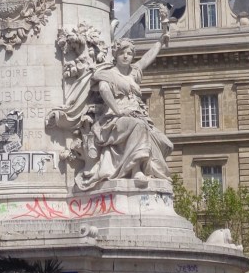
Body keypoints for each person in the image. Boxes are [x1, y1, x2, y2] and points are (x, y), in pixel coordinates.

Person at [47, 33, 173, 190]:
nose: (126, 56)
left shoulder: (133, 73)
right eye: (122, 53)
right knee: (138, 126)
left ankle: (145, 168)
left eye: (129, 53)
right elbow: (103, 89)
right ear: (115, 54)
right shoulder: (109, 73)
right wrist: (118, 110)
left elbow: (147, 59)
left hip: (137, 116)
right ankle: (135, 170)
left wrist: (161, 41)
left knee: (166, 144)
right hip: (113, 118)